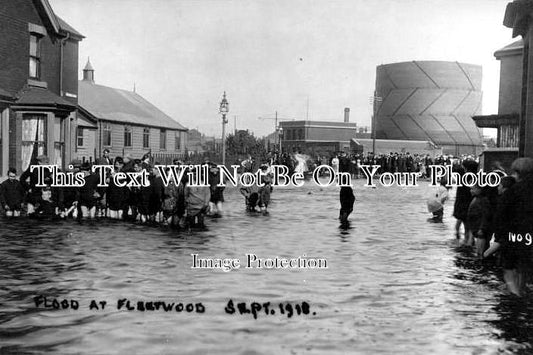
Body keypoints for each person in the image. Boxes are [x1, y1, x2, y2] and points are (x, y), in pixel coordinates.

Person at [488, 158, 533, 296]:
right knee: (523, 268)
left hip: (513, 236)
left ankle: (515, 295)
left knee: (509, 269)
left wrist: (499, 237)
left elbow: (501, 216)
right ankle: (522, 290)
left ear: (518, 172)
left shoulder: (512, 192)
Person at [466, 185, 492, 257]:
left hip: (481, 232)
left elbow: (486, 215)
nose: (471, 191)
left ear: (480, 190)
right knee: (479, 252)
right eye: (471, 189)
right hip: (477, 230)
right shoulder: (476, 199)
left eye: (473, 189)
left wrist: (482, 229)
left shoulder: (483, 200)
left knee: (481, 253)